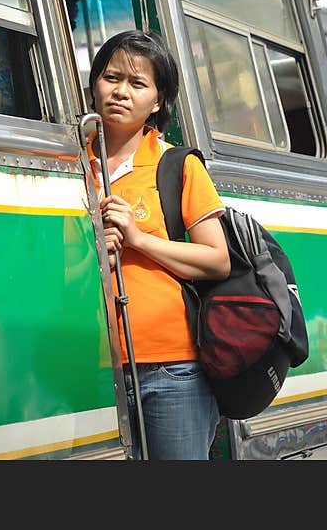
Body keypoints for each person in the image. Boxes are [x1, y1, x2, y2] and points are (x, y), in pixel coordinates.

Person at [87, 29, 231, 460]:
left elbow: (216, 260)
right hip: (87, 367)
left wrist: (137, 239)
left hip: (172, 369)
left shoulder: (177, 165)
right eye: (111, 77)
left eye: (137, 83)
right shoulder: (69, 163)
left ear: (158, 99)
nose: (120, 92)